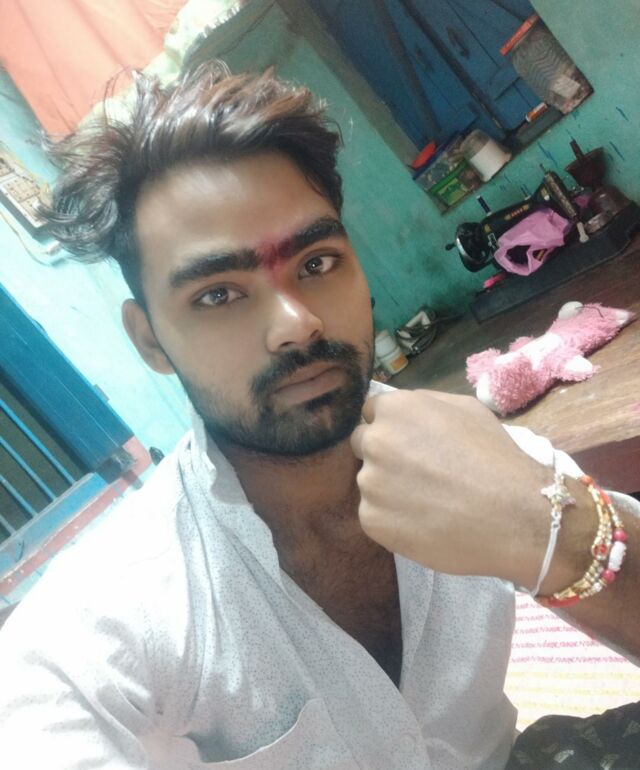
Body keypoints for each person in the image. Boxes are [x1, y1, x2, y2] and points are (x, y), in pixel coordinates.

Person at [0, 62, 638, 770]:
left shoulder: (489, 462)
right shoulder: (110, 618)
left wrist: (555, 530)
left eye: (316, 263)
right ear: (150, 339)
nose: (296, 324)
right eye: (218, 295)